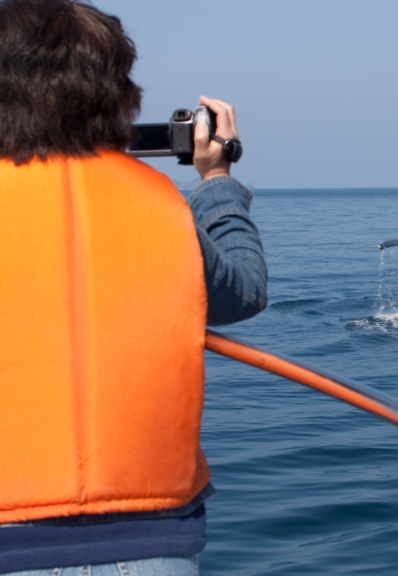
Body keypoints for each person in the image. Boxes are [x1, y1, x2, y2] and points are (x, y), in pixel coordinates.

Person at [0, 0, 267, 573]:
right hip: (149, 545)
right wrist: (217, 180)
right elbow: (242, 293)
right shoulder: (160, 207)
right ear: (118, 94)